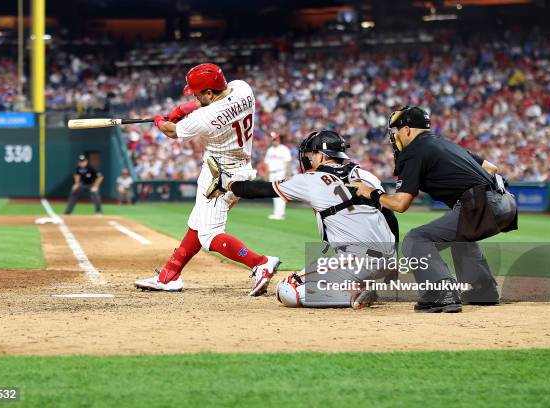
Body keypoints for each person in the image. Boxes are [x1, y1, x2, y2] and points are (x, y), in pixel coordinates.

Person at [351, 106, 518, 313]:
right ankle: (481, 290)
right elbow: (491, 168)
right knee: (460, 236)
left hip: (482, 204)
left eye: (396, 132)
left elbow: (401, 204)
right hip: (506, 202)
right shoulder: (446, 144)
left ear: (408, 130)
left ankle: (442, 294)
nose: (394, 138)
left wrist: (372, 193)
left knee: (416, 240)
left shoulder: (412, 152)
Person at [206, 130, 398, 308]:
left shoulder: (312, 179)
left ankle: (353, 294)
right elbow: (389, 215)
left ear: (321, 155)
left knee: (287, 289)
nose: (308, 158)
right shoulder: (367, 175)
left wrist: (227, 183)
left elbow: (259, 190)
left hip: (357, 258)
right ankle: (356, 283)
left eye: (311, 154)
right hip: (386, 257)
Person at [134, 63, 280, 296]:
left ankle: (260, 262)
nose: (194, 96)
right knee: (197, 222)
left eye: (197, 93)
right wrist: (185, 107)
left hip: (221, 177)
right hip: (237, 167)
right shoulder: (243, 88)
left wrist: (160, 120)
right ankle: (169, 276)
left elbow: (172, 131)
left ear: (209, 93)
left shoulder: (205, 116)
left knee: (209, 234)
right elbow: (217, 103)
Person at [263, 132, 292, 220]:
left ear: (279, 140)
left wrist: (287, 173)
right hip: (272, 173)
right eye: (273, 140)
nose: (274, 141)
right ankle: (277, 213)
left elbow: (288, 162)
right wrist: (266, 174)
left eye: (276, 139)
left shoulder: (284, 149)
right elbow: (267, 164)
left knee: (280, 193)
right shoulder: (270, 150)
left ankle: (280, 214)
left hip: (281, 172)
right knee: (274, 194)